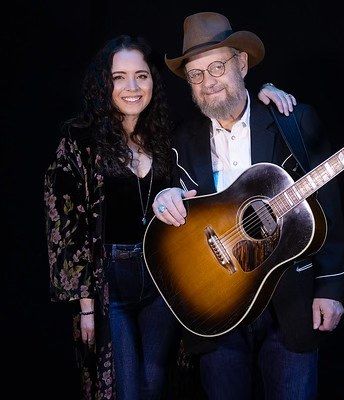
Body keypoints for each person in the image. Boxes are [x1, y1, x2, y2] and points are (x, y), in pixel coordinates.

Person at [43, 33, 297, 400]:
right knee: (126, 388)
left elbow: (225, 106)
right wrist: (85, 306)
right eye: (119, 77)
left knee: (156, 383)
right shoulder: (79, 142)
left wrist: (264, 93)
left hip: (165, 279)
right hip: (109, 284)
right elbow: (64, 228)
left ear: (152, 81)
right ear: (104, 83)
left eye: (141, 75)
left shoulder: (169, 136)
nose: (131, 87)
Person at [152, 12, 344, 399]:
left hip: (288, 303)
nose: (209, 83)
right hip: (218, 309)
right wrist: (165, 197)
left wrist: (331, 286)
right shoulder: (180, 141)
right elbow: (165, 201)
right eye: (196, 74)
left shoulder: (292, 120)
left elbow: (329, 207)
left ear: (241, 63)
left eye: (218, 67)